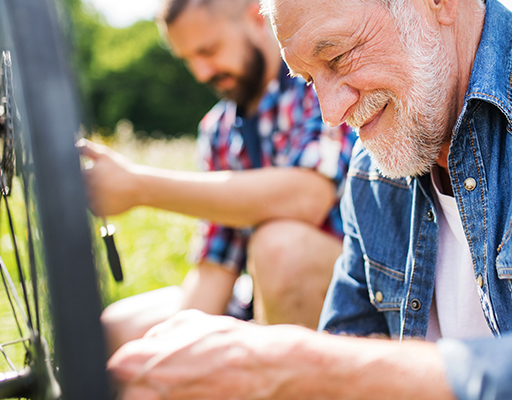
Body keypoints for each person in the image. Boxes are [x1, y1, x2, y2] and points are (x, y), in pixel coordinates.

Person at [108, 0, 512, 399]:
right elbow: (344, 333)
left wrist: (299, 364)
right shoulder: (370, 168)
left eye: (338, 56)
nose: (332, 114)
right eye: (307, 79)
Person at [79, 0, 356, 352]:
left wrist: (138, 186)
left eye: (208, 50)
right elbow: (216, 267)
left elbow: (307, 196)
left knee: (280, 248)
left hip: (347, 295)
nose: (201, 72)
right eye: (188, 59)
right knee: (116, 329)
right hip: (254, 295)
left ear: (256, 16)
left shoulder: (315, 88)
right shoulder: (218, 129)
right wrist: (167, 357)